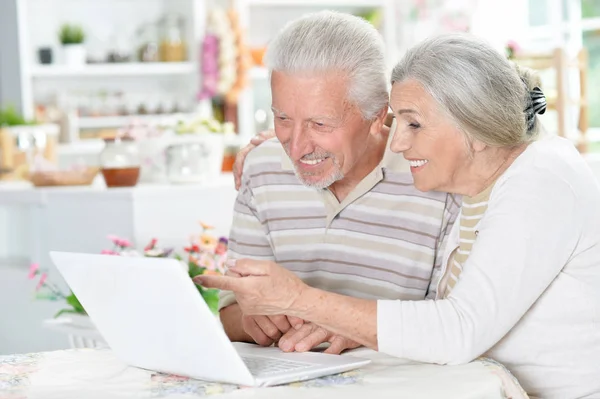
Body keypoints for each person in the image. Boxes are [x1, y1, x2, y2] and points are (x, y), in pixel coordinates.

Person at [197, 33, 600, 398]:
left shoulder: (540, 182)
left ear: (474, 126)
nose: (399, 141)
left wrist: (302, 301)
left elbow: (459, 329)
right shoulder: (477, 181)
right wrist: (302, 141)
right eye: (397, 121)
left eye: (413, 124)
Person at [212, 11, 459, 354]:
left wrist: (359, 328)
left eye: (320, 124)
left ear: (376, 116)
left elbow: (454, 325)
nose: (296, 148)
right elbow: (229, 314)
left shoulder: (434, 178)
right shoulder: (263, 166)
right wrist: (252, 320)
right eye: (282, 117)